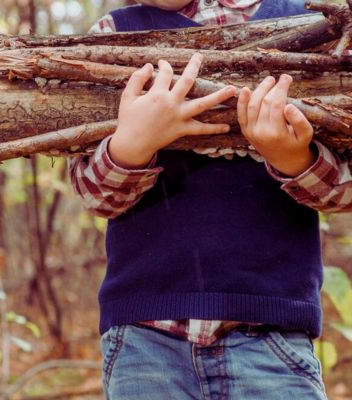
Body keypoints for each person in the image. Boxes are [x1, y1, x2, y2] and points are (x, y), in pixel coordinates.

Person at [68, 0, 352, 398]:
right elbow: (95, 196)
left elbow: (344, 192)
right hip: (145, 341)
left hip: (271, 336)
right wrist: (132, 145)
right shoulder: (112, 35)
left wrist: (291, 158)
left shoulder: (309, 25)